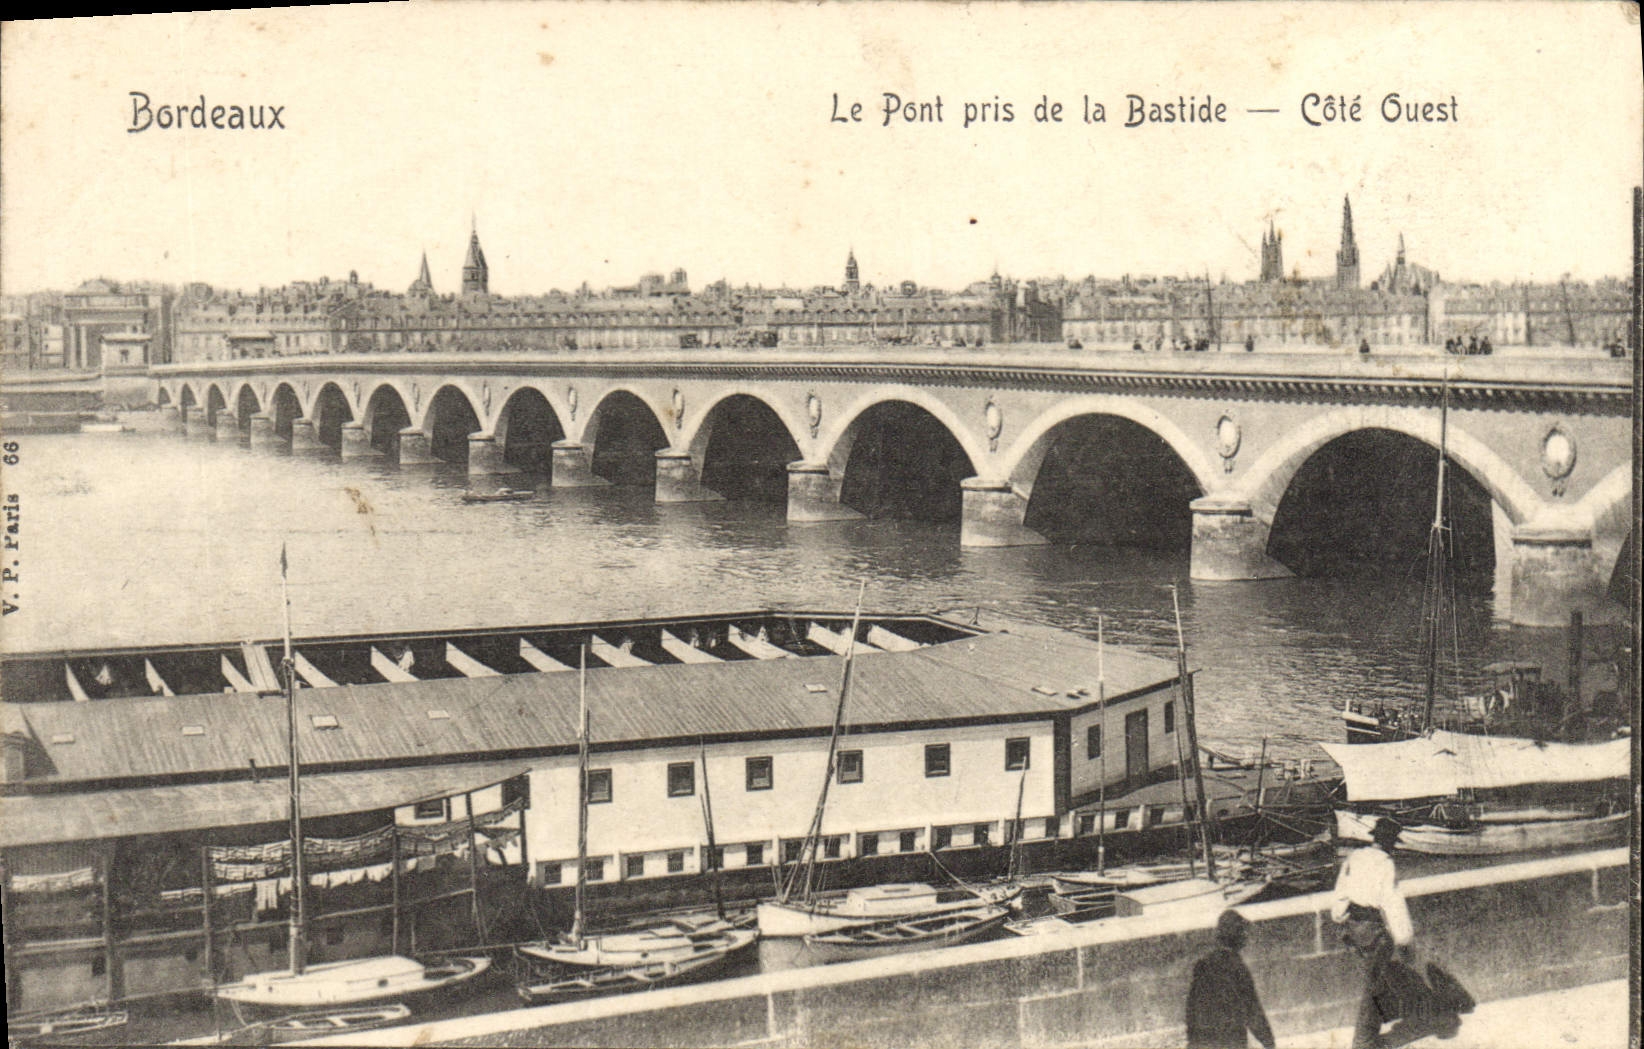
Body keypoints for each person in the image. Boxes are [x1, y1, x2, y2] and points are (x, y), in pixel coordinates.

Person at [1185, 910, 1275, 1049]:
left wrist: (1193, 1041)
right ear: (1238, 937)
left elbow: (1191, 1008)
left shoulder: (1203, 964)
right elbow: (1252, 1010)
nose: (1246, 937)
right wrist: (1268, 1041)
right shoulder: (1238, 968)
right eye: (1243, 933)